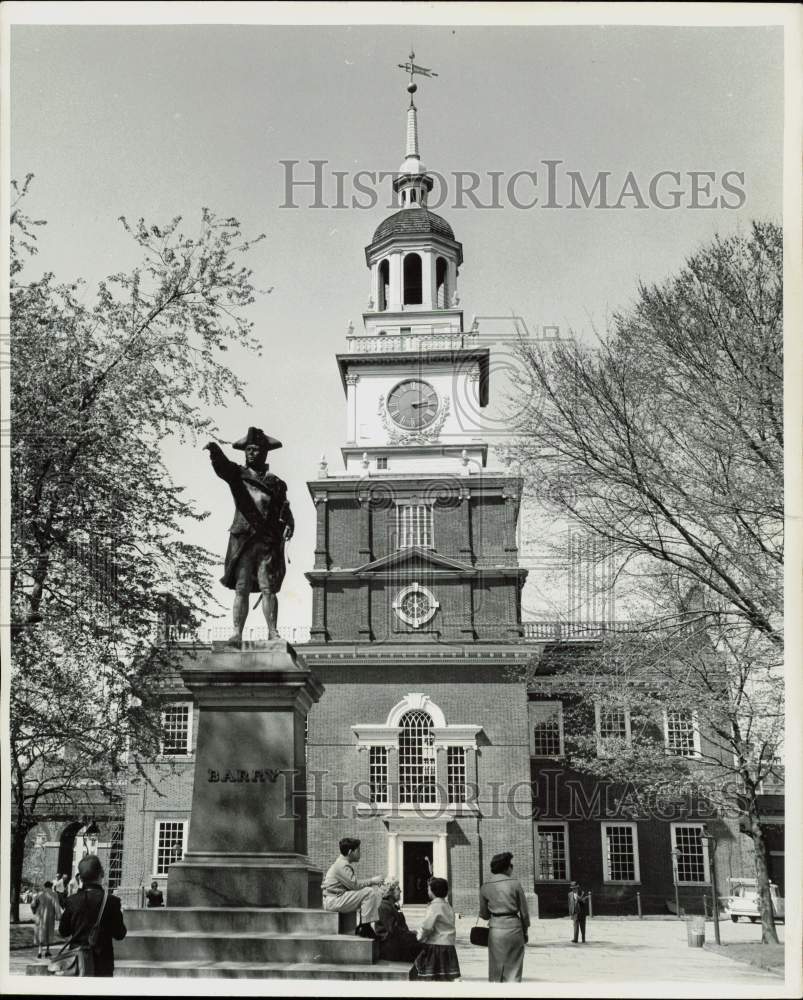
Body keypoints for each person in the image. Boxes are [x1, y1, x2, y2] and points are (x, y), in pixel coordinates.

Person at [205, 427, 294, 646]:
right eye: (249, 449)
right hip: (244, 538)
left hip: (267, 541)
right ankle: (237, 633)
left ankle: (272, 632)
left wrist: (290, 522)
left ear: (265, 452)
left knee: (268, 587)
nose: (252, 453)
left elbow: (284, 508)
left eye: (256, 449)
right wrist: (215, 452)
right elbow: (223, 468)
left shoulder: (277, 483)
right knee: (241, 587)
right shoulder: (238, 474)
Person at [58, 855, 127, 977]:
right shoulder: (112, 902)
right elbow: (120, 934)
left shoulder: (71, 901)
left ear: (80, 877)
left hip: (77, 963)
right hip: (102, 964)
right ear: (102, 873)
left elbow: (63, 931)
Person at [479, 851, 530, 982]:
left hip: (495, 929)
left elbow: (484, 915)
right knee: (514, 968)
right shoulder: (515, 884)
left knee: (496, 968)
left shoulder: (485, 887)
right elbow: (524, 913)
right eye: (510, 865)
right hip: (514, 927)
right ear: (507, 867)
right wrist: (525, 931)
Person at [321, 837, 385, 932]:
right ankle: (365, 928)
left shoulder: (341, 864)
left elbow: (353, 886)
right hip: (333, 901)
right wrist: (372, 881)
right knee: (369, 892)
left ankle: (364, 925)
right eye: (358, 851)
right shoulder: (342, 865)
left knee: (367, 893)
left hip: (334, 899)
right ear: (350, 852)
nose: (360, 854)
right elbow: (354, 886)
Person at [409, 877, 461, 982]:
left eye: (428, 889)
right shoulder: (448, 906)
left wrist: (419, 937)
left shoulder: (434, 906)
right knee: (446, 977)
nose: (427, 891)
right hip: (449, 946)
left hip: (435, 946)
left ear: (433, 891)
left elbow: (427, 927)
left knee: (427, 975)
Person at [373, 880, 421, 963]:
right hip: (390, 947)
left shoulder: (393, 906)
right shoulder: (383, 907)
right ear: (390, 892)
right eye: (398, 889)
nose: (401, 891)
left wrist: (411, 933)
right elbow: (394, 930)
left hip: (397, 943)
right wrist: (411, 934)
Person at [32, 881, 59, 959]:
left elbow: (33, 904)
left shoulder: (39, 894)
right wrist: (58, 915)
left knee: (40, 932)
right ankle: (47, 950)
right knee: (48, 932)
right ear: (51, 886)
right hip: (50, 916)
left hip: (40, 915)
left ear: (44, 886)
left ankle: (39, 951)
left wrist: (34, 911)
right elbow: (56, 905)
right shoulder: (54, 894)